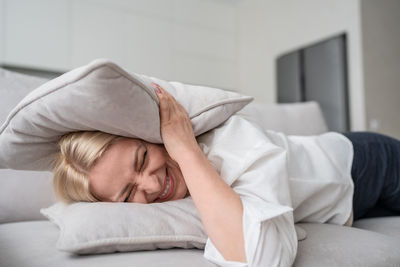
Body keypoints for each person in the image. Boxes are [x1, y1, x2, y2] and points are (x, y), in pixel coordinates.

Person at [52, 83, 400, 266]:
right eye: (128, 194)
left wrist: (184, 149)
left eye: (142, 159)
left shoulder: (234, 140)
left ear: (149, 136)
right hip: (350, 207)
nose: (153, 184)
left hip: (365, 162)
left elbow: (267, 259)